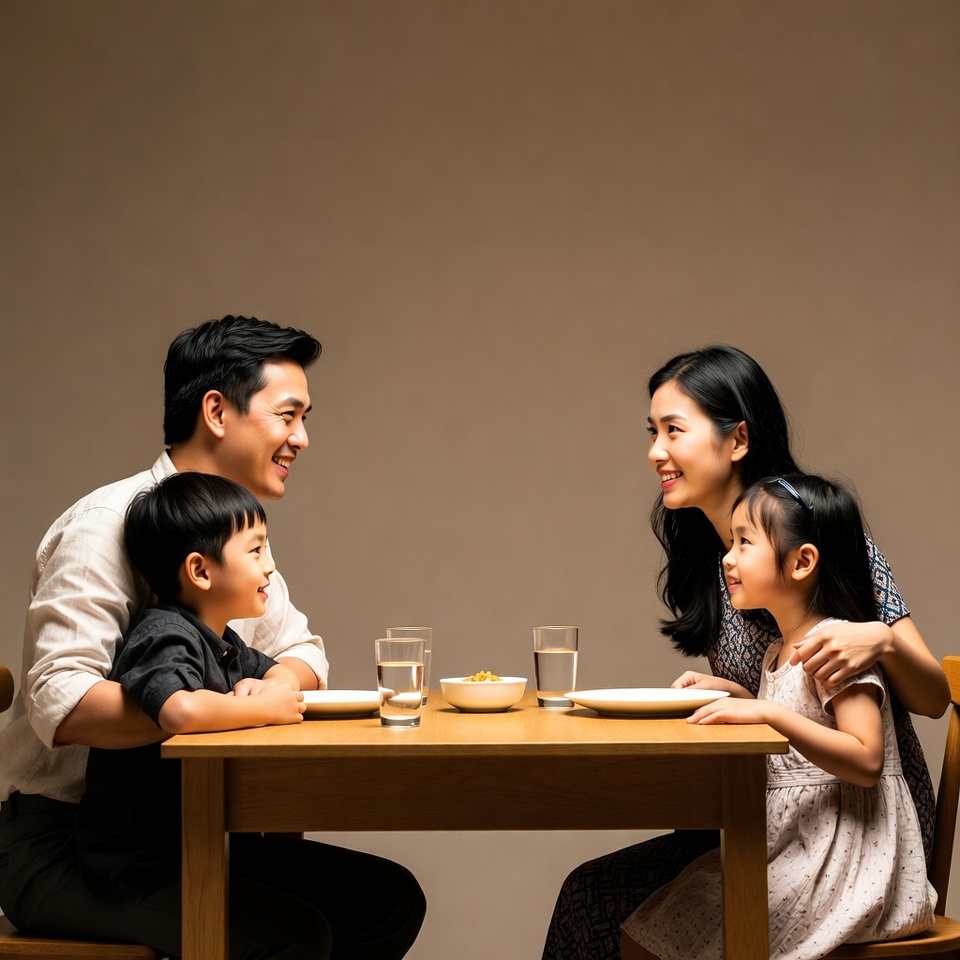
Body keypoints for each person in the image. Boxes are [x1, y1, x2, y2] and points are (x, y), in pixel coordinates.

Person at [0, 315, 426, 958]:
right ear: (217, 411)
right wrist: (229, 711)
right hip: (65, 843)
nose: (303, 439)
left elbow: (302, 652)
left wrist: (268, 683)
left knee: (387, 901)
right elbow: (63, 701)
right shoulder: (104, 528)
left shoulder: (227, 532)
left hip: (184, 827)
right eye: (288, 415)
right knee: (291, 938)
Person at [541, 344, 947, 960]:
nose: (655, 451)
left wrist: (884, 639)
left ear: (737, 440)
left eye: (673, 430)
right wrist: (739, 696)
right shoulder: (719, 560)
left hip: (855, 826)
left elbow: (934, 701)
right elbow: (785, 699)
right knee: (591, 899)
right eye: (652, 432)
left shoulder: (809, 534)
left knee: (601, 905)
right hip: (770, 810)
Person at [620, 474, 936, 959]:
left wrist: (765, 711)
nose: (728, 557)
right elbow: (800, 711)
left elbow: (866, 758)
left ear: (803, 561)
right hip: (799, 849)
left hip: (851, 864)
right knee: (652, 926)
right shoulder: (777, 652)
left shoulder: (835, 646)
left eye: (745, 542)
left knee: (683, 928)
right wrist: (737, 692)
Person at [77, 474, 310, 926]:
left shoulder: (221, 640)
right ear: (201, 571)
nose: (270, 567)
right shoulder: (164, 636)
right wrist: (261, 708)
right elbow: (178, 710)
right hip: (139, 864)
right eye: (256, 549)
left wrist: (273, 686)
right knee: (293, 933)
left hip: (196, 843)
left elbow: (277, 668)